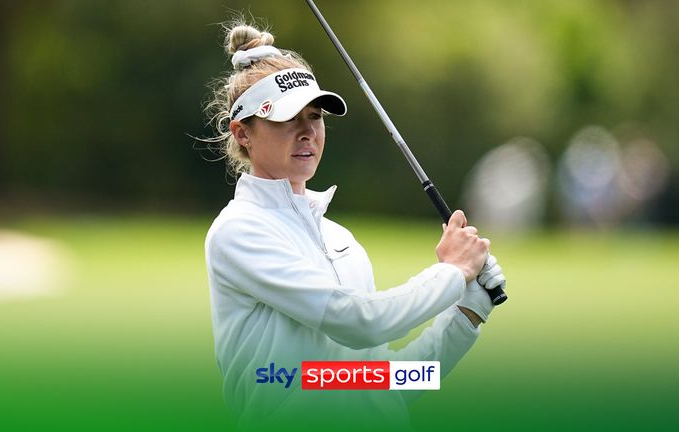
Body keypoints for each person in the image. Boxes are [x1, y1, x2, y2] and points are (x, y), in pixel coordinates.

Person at [203, 22, 507, 431]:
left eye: (315, 116)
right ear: (243, 133)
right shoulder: (238, 232)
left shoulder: (340, 240)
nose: (308, 131)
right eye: (287, 118)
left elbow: (383, 383)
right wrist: (451, 273)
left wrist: (467, 313)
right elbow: (361, 323)